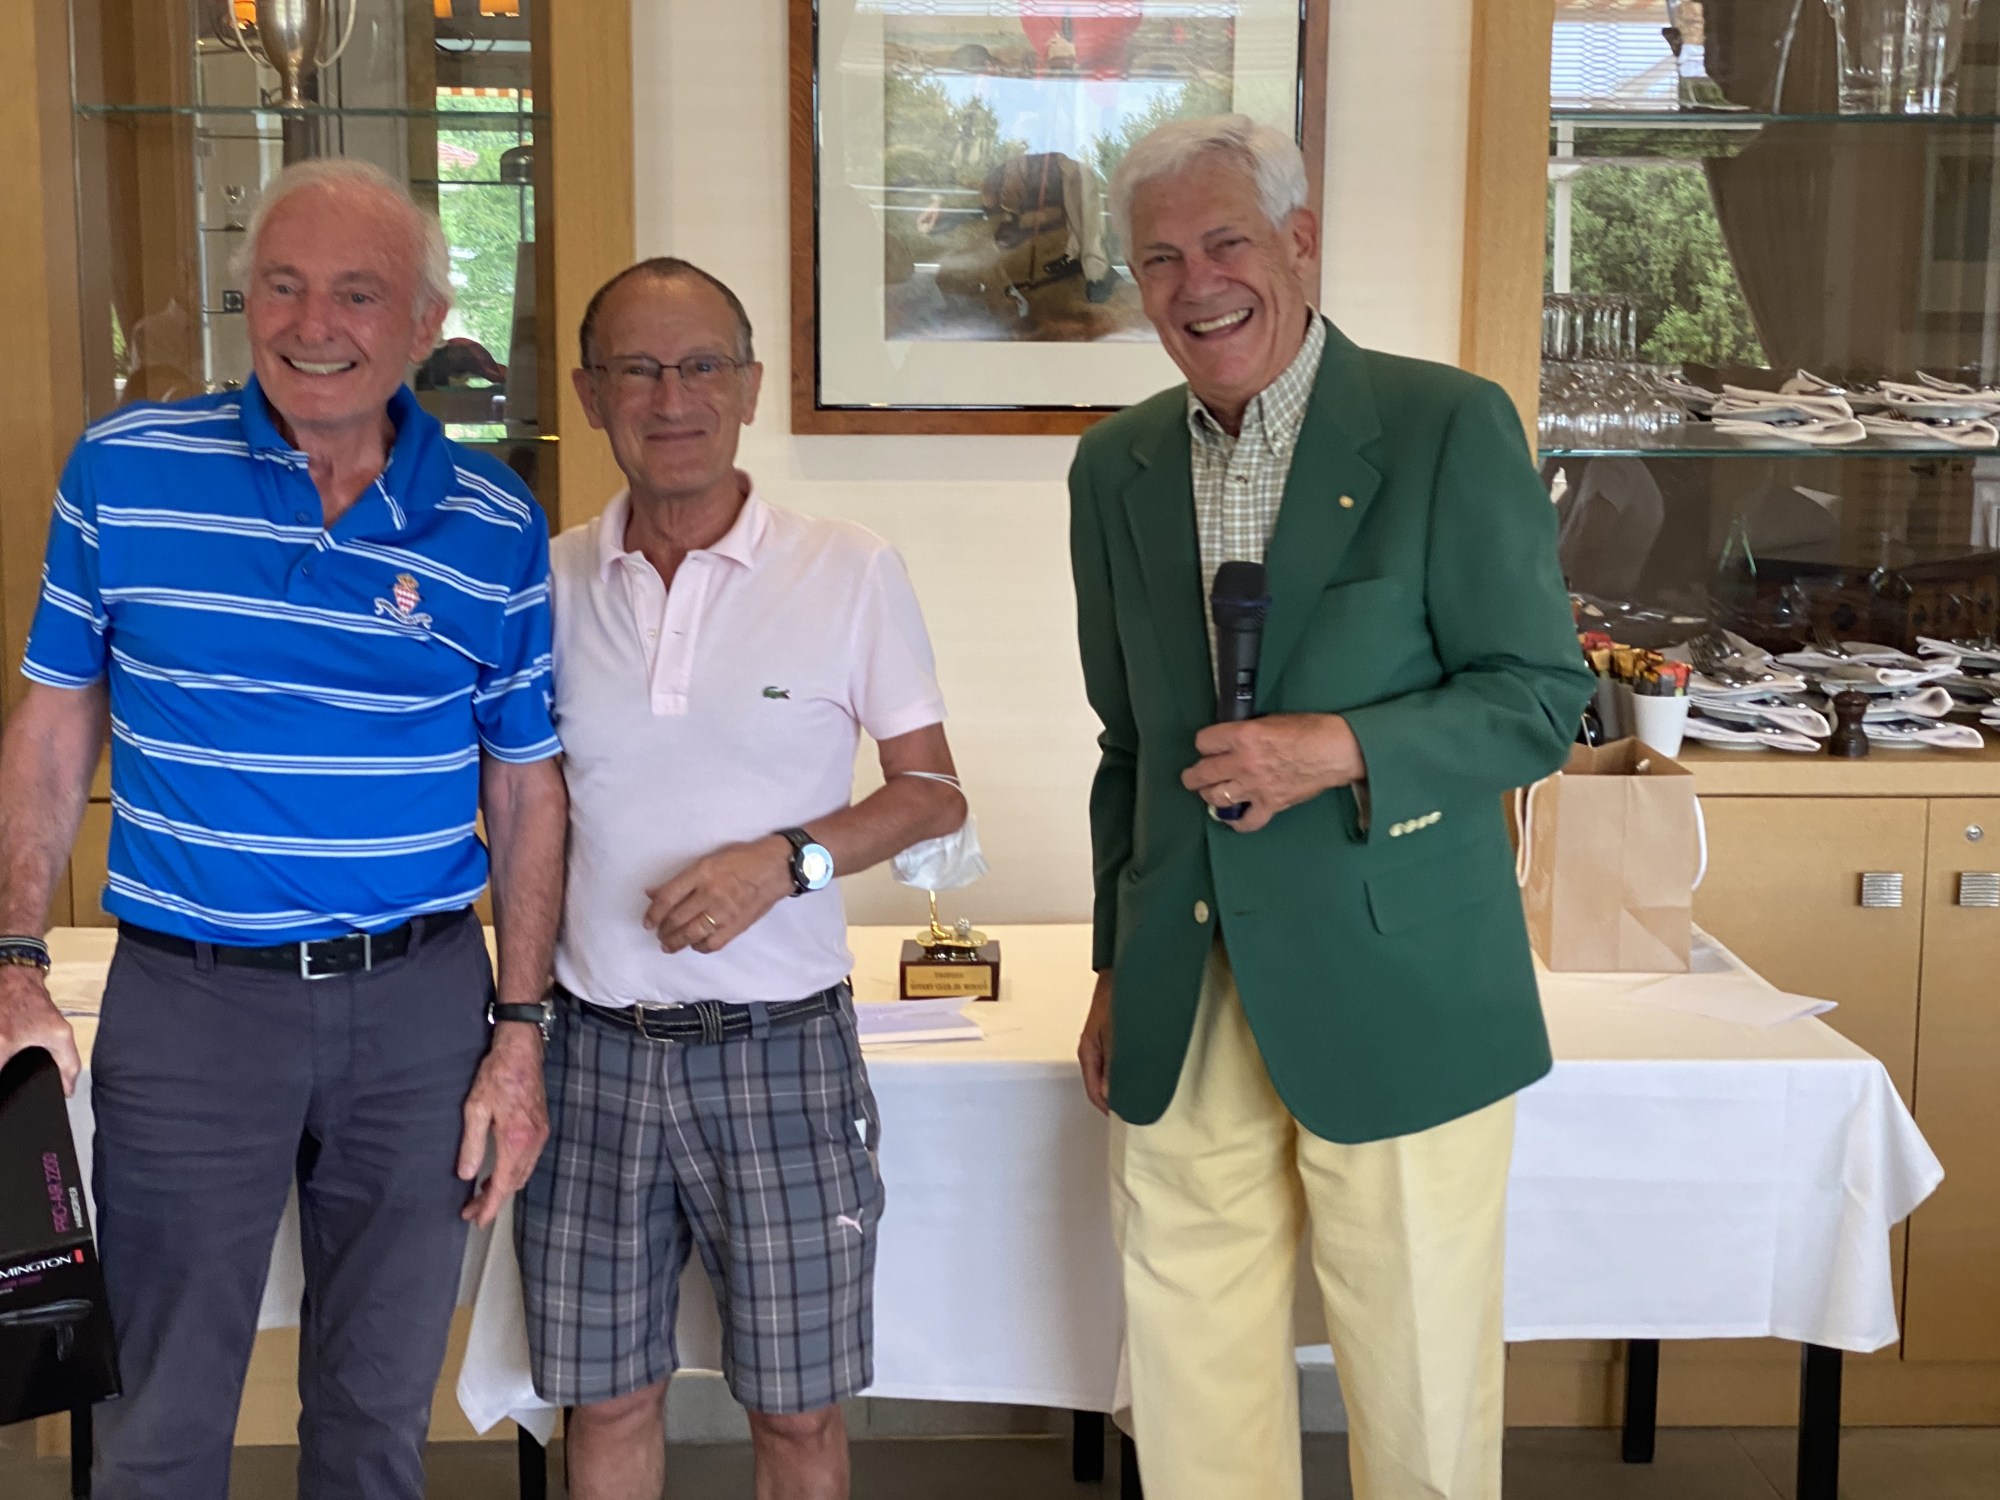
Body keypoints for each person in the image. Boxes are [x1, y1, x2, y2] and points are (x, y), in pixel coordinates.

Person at [0, 159, 566, 1499]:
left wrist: (519, 1033)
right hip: (191, 1006)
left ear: (425, 323)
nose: (314, 325)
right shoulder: (124, 471)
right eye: (282, 286)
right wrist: (14, 956)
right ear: (243, 299)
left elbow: (525, 786)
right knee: (160, 1420)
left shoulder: (493, 523)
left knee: (375, 1422)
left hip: (419, 1007)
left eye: (357, 294)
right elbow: (53, 726)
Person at [1067, 116, 1595, 1500]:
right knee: (1190, 1384)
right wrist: (1117, 964)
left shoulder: (1444, 425)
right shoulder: (1112, 467)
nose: (1196, 284)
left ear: (1299, 244)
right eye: (1160, 258)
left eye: (1226, 241)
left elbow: (1539, 699)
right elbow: (1127, 746)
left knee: (1419, 1379)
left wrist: (1343, 748)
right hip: (1184, 980)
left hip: (1403, 979)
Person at [518, 258, 967, 1500]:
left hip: (783, 1055)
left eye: (702, 366)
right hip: (589, 1055)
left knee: (796, 1415)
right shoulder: (544, 582)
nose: (672, 398)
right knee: (607, 1400)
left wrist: (788, 861)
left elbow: (932, 793)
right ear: (589, 394)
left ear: (752, 386)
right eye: (637, 370)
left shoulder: (846, 568)